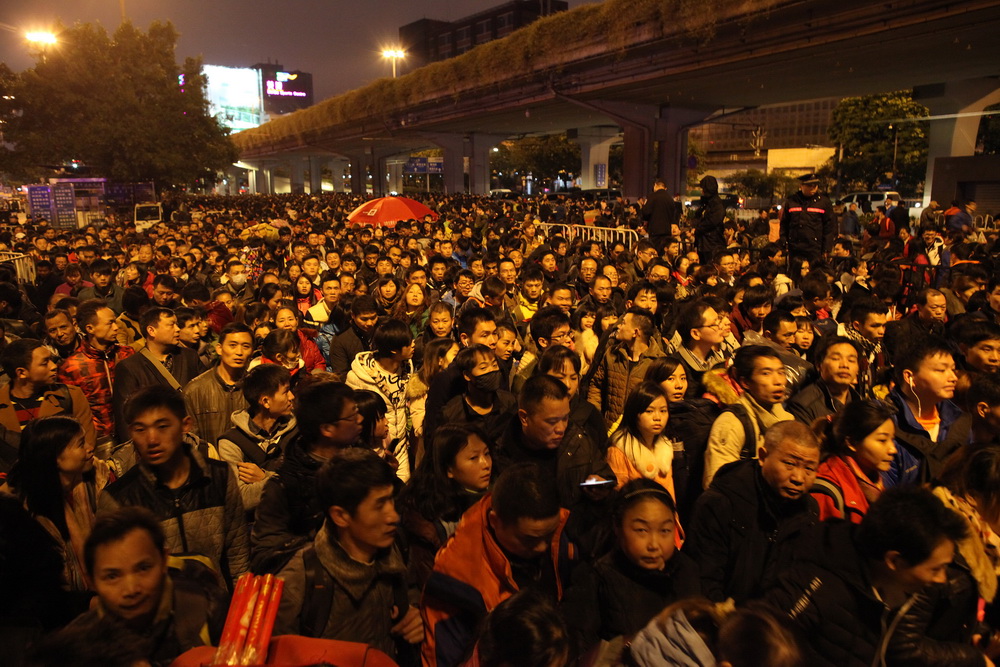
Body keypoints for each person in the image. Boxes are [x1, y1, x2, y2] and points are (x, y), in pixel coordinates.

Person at [766, 486, 974, 667]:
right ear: (894, 561)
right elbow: (755, 645)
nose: (941, 579)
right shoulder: (813, 586)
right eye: (935, 569)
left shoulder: (893, 588)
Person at [421, 462, 575, 667]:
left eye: (550, 535)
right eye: (530, 540)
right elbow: (443, 659)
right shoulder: (456, 578)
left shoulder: (557, 538)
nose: (542, 547)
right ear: (495, 521)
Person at [275, 449, 422, 660]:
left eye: (391, 500)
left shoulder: (396, 549)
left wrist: (416, 614)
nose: (392, 516)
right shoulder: (300, 582)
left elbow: (412, 591)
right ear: (341, 516)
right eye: (379, 505)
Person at [98, 385, 249, 585]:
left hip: (216, 607)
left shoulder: (218, 476)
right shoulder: (119, 498)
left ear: (186, 425)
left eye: (162, 426)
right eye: (140, 429)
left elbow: (237, 557)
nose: (152, 439)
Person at [62, 507, 228, 666]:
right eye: (112, 576)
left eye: (143, 568)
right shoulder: (78, 645)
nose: (131, 589)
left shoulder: (210, 609)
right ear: (92, 582)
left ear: (164, 561)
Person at [686, 421, 819, 603]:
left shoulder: (808, 511)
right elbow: (702, 579)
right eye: (789, 464)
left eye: (809, 469)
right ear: (763, 456)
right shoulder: (721, 502)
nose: (798, 478)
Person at [561, 479, 700, 651]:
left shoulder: (688, 571)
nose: (654, 545)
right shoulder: (595, 580)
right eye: (641, 530)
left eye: (665, 530)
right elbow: (581, 648)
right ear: (617, 527)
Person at [251, 381, 362, 575]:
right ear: (327, 429)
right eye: (352, 415)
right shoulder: (285, 486)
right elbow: (266, 554)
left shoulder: (363, 462)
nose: (360, 419)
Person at [4, 416, 107, 593]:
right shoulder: (24, 511)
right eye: (81, 444)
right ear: (56, 458)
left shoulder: (97, 480)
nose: (90, 448)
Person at [397, 424, 493, 588]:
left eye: (487, 454)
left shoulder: (495, 499)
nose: (486, 464)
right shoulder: (425, 517)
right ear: (448, 469)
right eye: (473, 458)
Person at [0, 339, 97, 473]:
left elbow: (87, 444)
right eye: (45, 363)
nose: (53, 366)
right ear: (21, 372)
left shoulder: (71, 396)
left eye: (51, 360)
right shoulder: (3, 406)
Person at [703, 345, 793, 488]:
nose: (778, 381)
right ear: (745, 382)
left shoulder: (787, 420)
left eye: (781, 372)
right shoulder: (732, 423)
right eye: (766, 373)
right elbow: (717, 485)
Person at [112, 307, 205, 443]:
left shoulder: (190, 357)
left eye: (177, 324)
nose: (177, 329)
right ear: (151, 330)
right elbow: (125, 418)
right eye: (171, 325)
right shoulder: (129, 367)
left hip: (191, 440)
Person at [217, 364, 298, 511]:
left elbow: (312, 482)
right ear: (265, 401)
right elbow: (242, 498)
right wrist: (288, 481)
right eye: (286, 392)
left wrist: (264, 476)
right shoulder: (231, 442)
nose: (292, 397)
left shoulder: (299, 431)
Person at [887, 338, 966, 487]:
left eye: (953, 369)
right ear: (909, 377)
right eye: (941, 370)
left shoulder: (959, 420)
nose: (953, 378)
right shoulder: (883, 423)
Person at [58, 299, 136, 448]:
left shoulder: (127, 353)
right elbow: (70, 413)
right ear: (90, 328)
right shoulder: (71, 367)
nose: (116, 327)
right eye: (110, 323)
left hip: (131, 433)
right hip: (97, 442)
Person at [346, 318, 415, 480]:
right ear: (394, 350)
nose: (413, 345)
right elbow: (352, 417)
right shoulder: (360, 376)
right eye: (408, 343)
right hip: (372, 451)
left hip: (400, 446)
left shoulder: (406, 369)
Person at [811, 399, 896, 523]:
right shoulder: (826, 492)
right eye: (882, 440)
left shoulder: (874, 481)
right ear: (851, 442)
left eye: (892, 440)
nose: (893, 450)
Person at [588, 306, 668, 428]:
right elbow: (596, 384)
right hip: (609, 429)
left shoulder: (658, 362)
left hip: (640, 431)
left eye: (623, 323)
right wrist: (596, 416)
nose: (618, 326)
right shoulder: (612, 354)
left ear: (635, 332)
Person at [182, 323, 253, 447]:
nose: (239, 352)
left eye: (246, 346)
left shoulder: (256, 387)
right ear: (219, 348)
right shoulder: (195, 390)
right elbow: (189, 439)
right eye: (233, 345)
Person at [606, 382, 678, 502]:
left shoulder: (665, 449)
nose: (657, 417)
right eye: (649, 411)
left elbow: (671, 499)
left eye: (663, 411)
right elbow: (618, 501)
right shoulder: (618, 452)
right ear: (635, 413)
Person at [441, 344, 516, 446]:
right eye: (483, 367)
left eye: (494, 365)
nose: (491, 370)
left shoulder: (509, 402)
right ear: (467, 375)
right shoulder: (452, 413)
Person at [786, 336, 861, 424]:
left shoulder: (859, 401)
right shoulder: (803, 405)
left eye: (851, 360)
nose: (845, 365)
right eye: (836, 358)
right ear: (819, 365)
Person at [779, 173, 836, 264]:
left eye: (815, 185)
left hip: (815, 247)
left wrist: (826, 248)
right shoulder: (792, 201)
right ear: (801, 186)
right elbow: (784, 223)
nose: (813, 188)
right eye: (809, 185)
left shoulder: (823, 202)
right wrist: (784, 241)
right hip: (795, 247)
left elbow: (829, 226)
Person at [328, 295, 379, 380]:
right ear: (353, 315)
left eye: (373, 318)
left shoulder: (384, 329)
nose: (370, 323)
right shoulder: (341, 339)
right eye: (364, 319)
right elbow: (341, 374)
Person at [641, 179, 680, 255]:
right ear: (665, 188)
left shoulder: (652, 196)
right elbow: (673, 214)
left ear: (655, 185)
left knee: (655, 252)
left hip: (655, 231)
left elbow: (645, 213)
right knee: (664, 252)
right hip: (667, 231)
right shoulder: (670, 198)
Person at [694, 176, 726, 264]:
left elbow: (714, 220)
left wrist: (699, 228)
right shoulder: (706, 203)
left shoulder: (716, 203)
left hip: (712, 243)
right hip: (704, 243)